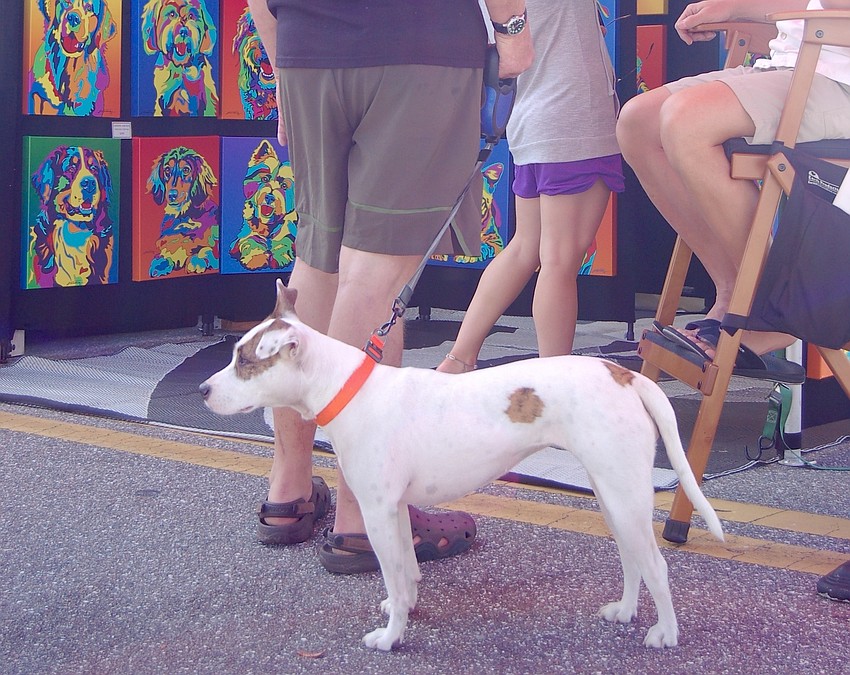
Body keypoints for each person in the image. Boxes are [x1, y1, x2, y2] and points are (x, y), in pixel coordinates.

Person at [244, 0, 534, 574]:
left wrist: (283, 61)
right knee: (372, 277)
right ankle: (362, 517)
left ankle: (288, 489)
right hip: (416, 44)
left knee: (316, 262)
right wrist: (513, 31)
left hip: (306, 47)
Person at [615, 0, 850, 600]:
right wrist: (742, 20)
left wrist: (742, 7)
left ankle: (768, 307)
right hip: (796, 65)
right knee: (638, 120)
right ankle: (737, 293)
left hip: (837, 76)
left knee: (686, 121)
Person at [437, 0, 624, 374]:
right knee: (559, 259)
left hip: (534, 118)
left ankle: (459, 359)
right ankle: (553, 381)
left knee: (526, 248)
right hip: (573, 116)